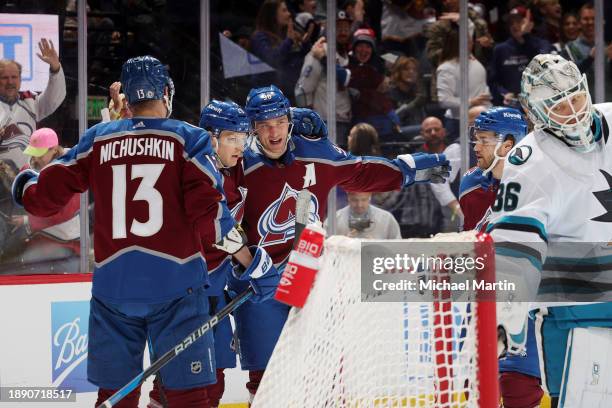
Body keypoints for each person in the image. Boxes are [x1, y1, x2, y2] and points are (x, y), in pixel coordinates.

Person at [11, 56, 279, 408]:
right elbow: (211, 218)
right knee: (190, 397)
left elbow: (43, 197)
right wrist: (252, 261)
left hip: (114, 291)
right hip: (176, 289)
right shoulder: (190, 140)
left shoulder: (98, 140)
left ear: (128, 100)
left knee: (114, 396)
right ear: (166, 93)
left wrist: (24, 185)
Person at [231, 84, 451, 402]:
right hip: (259, 283)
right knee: (265, 382)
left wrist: (408, 170)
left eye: (279, 121)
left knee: (327, 371)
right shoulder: (240, 165)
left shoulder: (314, 153)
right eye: (264, 125)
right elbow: (215, 216)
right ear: (252, 128)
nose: (273, 131)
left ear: (289, 121)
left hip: (308, 276)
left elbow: (361, 172)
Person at [489, 54, 612, 407]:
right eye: (559, 106)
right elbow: (515, 253)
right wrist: (508, 319)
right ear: (536, 114)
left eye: (575, 97)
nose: (573, 111)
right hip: (575, 313)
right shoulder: (529, 163)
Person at [457, 107, 543, 408]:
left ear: (508, 145)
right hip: (481, 298)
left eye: (484, 140)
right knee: (473, 384)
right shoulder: (470, 183)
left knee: (521, 387)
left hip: (525, 301)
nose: (476, 147)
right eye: (476, 139)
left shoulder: (539, 186)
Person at [0, 39, 66, 168]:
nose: (10, 82)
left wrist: (55, 67)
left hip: (28, 175)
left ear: (20, 79)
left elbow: (54, 99)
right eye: (4, 77)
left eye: (14, 77)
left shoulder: (30, 101)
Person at [333, 191, 401, 239]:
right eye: (354, 200)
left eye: (364, 200)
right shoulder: (335, 219)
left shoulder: (386, 219)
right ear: (348, 198)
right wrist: (343, 242)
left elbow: (398, 247)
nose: (359, 205)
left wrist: (377, 245)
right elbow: (324, 249)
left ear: (370, 197)